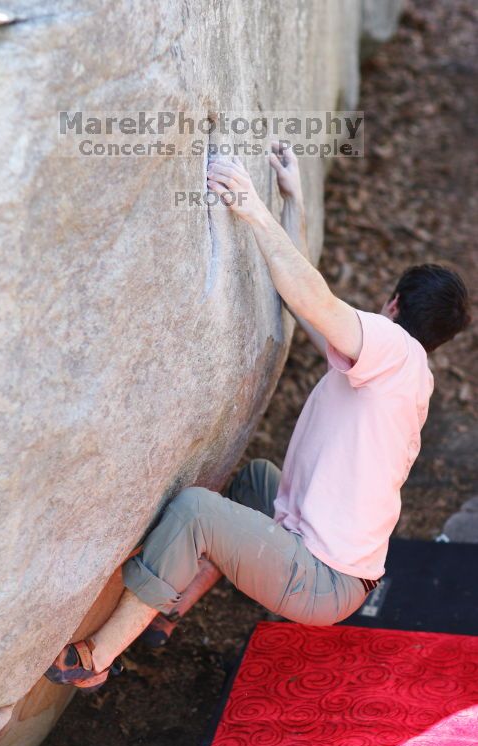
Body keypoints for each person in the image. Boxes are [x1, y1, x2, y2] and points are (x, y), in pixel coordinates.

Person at [46, 144, 471, 691]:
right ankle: (166, 615)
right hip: (335, 572)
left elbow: (315, 300)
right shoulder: (400, 372)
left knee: (196, 511)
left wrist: (251, 206)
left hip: (323, 578)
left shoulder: (393, 351)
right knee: (256, 482)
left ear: (393, 305)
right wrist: (293, 203)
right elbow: (307, 303)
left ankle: (95, 660)